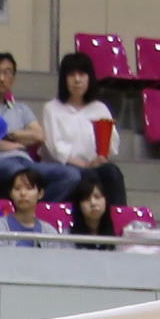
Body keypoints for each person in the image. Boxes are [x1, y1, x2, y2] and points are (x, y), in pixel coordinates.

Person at [0, 52, 77, 207]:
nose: (2, 78)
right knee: (18, 173)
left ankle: (35, 211)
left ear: (13, 79)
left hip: (26, 162)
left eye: (7, 72)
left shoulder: (22, 109)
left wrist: (10, 135)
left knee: (71, 175)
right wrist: (18, 144)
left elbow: (39, 136)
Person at [39, 51, 130, 213]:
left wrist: (101, 158)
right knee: (89, 178)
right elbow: (55, 149)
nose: (77, 80)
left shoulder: (100, 108)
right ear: (64, 79)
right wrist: (86, 165)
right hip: (66, 170)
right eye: (71, 75)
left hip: (94, 166)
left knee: (112, 172)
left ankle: (120, 218)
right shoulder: (51, 109)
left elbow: (112, 143)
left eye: (82, 74)